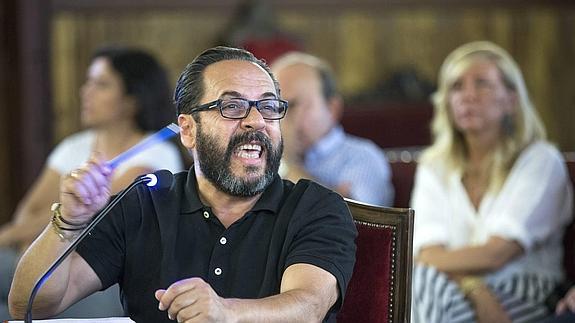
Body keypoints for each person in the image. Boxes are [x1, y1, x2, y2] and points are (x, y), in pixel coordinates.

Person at [8, 46, 357, 322]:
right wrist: (67, 223)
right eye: (232, 106)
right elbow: (30, 304)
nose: (256, 121)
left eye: (268, 107)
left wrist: (225, 312)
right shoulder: (143, 204)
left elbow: (308, 307)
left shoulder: (315, 207)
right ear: (188, 129)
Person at [0, 46, 183, 320]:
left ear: (132, 99)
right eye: (88, 82)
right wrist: (42, 240)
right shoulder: (74, 146)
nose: (85, 92)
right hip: (40, 257)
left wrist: (13, 237)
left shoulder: (155, 153)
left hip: (94, 273)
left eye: (101, 84)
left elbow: (99, 218)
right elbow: (28, 213)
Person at [410, 41, 573, 323]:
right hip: (453, 288)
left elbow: (497, 253)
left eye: (482, 84)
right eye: (457, 86)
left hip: (525, 290)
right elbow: (425, 252)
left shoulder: (541, 160)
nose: (467, 95)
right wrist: (475, 288)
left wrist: (441, 267)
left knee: (424, 285)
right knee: (422, 282)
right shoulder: (433, 165)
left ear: (511, 99)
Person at [271, 52, 394, 206]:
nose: (281, 117)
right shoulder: (262, 159)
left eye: (293, 106)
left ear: (332, 108)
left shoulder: (362, 157)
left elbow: (354, 223)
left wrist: (290, 164)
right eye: (274, 107)